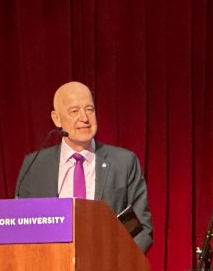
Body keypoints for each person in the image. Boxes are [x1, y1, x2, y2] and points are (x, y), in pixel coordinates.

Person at [14, 81, 153, 253]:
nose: (85, 118)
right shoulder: (35, 166)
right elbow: (20, 226)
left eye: (89, 109)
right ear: (57, 118)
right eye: (74, 111)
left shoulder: (123, 162)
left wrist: (119, 265)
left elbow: (142, 228)